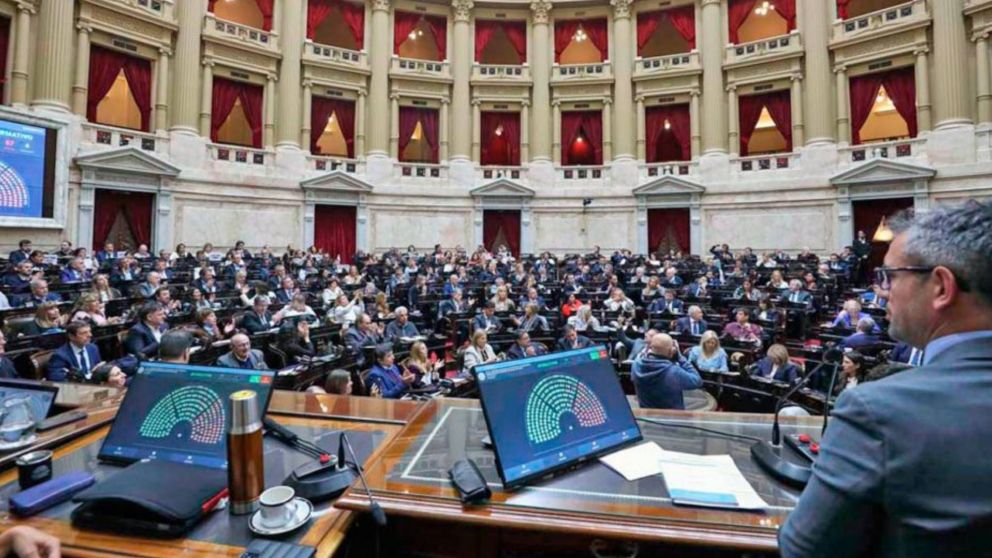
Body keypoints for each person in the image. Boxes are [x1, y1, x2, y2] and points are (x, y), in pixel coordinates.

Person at [781, 201, 992, 556]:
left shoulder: (877, 410)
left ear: (941, 286)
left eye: (891, 276)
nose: (884, 291)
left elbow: (804, 550)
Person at [631, 334, 702, 410]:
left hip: (646, 416)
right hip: (670, 419)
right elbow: (697, 380)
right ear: (671, 351)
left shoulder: (637, 364)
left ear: (650, 347)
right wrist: (680, 357)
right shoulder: (673, 372)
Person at [47, 321, 125, 386]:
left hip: (97, 386)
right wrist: (90, 377)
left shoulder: (92, 348)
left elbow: (98, 370)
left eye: (89, 331)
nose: (90, 335)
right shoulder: (60, 356)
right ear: (71, 336)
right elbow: (58, 381)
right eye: (84, 333)